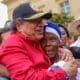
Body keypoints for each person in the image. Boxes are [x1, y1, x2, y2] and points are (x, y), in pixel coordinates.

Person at [0, 3, 77, 80]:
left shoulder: (34, 40)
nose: (42, 24)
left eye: (41, 20)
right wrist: (63, 73)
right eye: (35, 21)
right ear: (18, 25)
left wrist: (62, 50)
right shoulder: (13, 44)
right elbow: (26, 77)